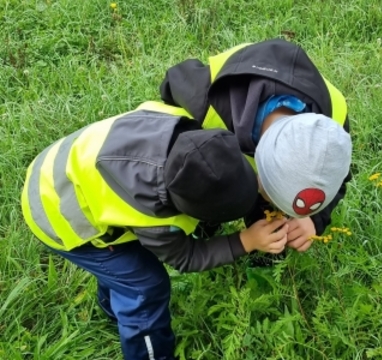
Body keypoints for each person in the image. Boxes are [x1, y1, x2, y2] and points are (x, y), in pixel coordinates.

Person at [20, 102, 291, 360]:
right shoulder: (152, 211)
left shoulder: (191, 131)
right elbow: (186, 257)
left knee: (126, 270)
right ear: (185, 209)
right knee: (144, 286)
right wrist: (246, 240)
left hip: (58, 164)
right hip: (57, 214)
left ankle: (110, 304)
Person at [159, 38, 353, 259]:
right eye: (276, 201)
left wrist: (313, 219)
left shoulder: (333, 126)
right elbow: (174, 80)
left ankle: (263, 258)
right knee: (205, 190)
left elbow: (340, 176)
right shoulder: (205, 102)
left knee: (270, 232)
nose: (283, 215)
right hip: (214, 147)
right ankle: (207, 225)